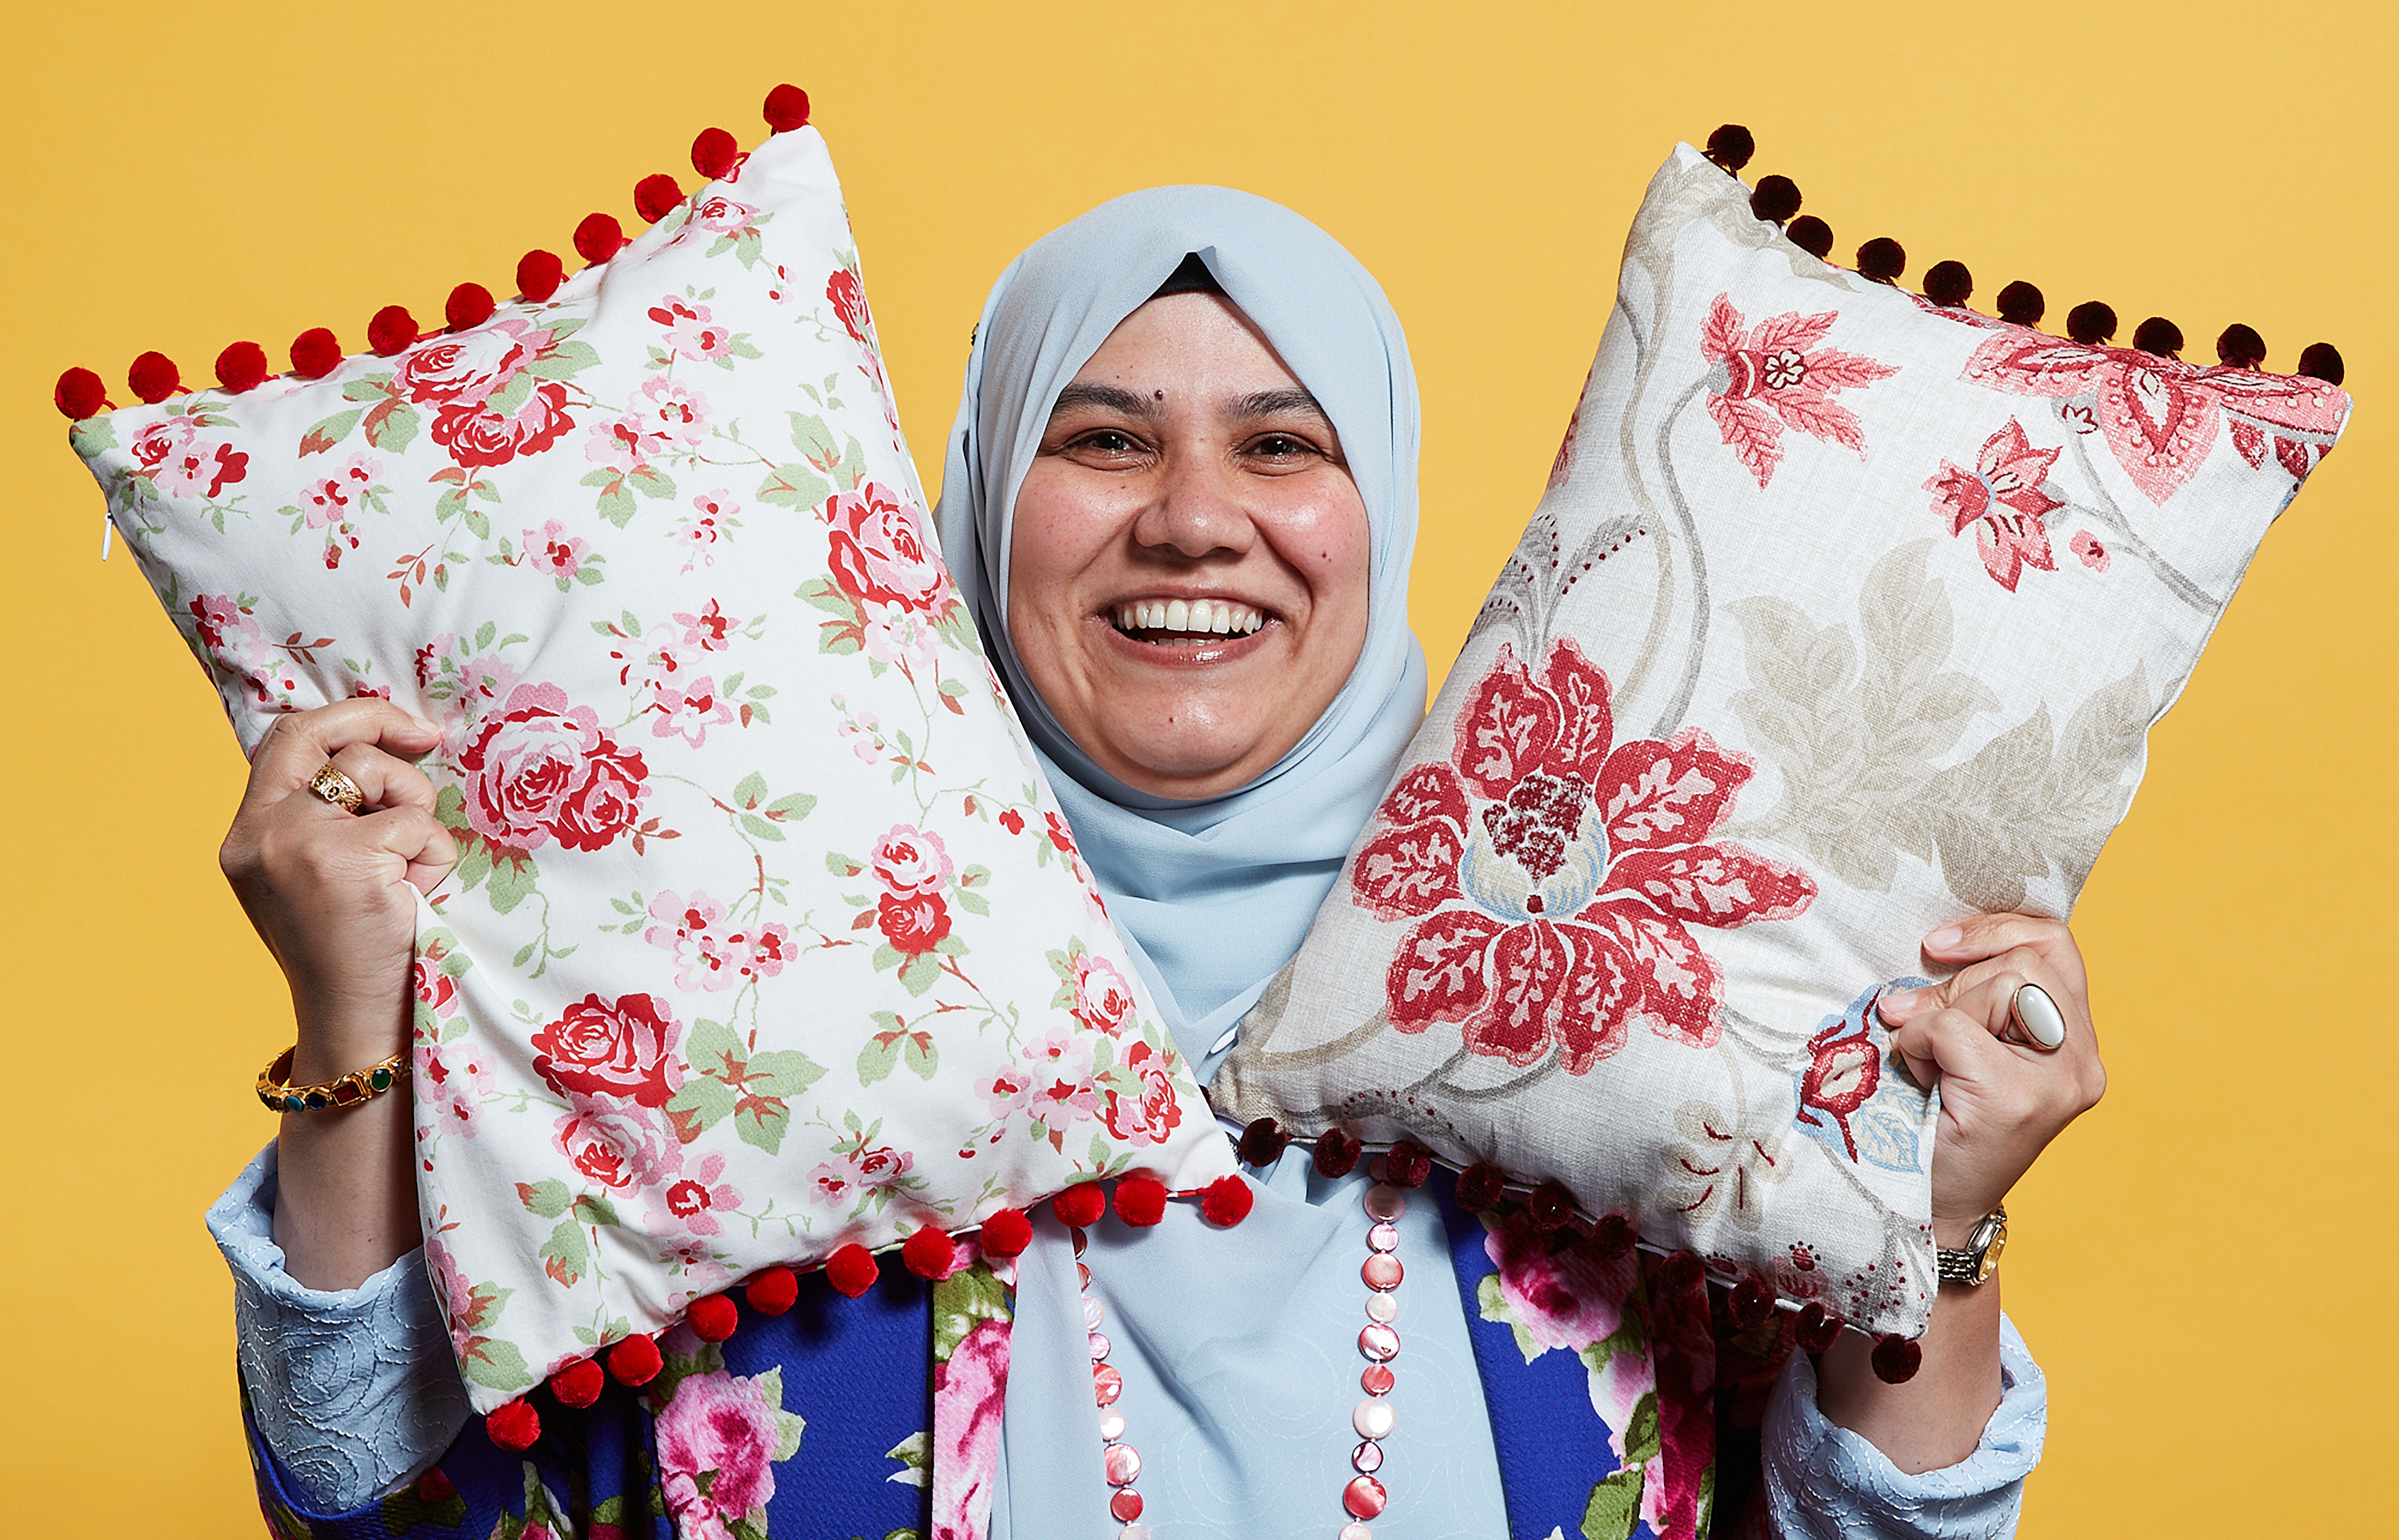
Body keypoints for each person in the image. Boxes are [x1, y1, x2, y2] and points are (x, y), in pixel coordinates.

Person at [208, 184, 2101, 1540]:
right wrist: (355, 1023)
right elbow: (367, 1498)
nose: (1196, 522)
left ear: (1385, 516)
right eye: (1103, 441)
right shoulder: (734, 991)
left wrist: (1932, 1224)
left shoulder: (1597, 1007)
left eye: (1285, 446)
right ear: (968, 505)